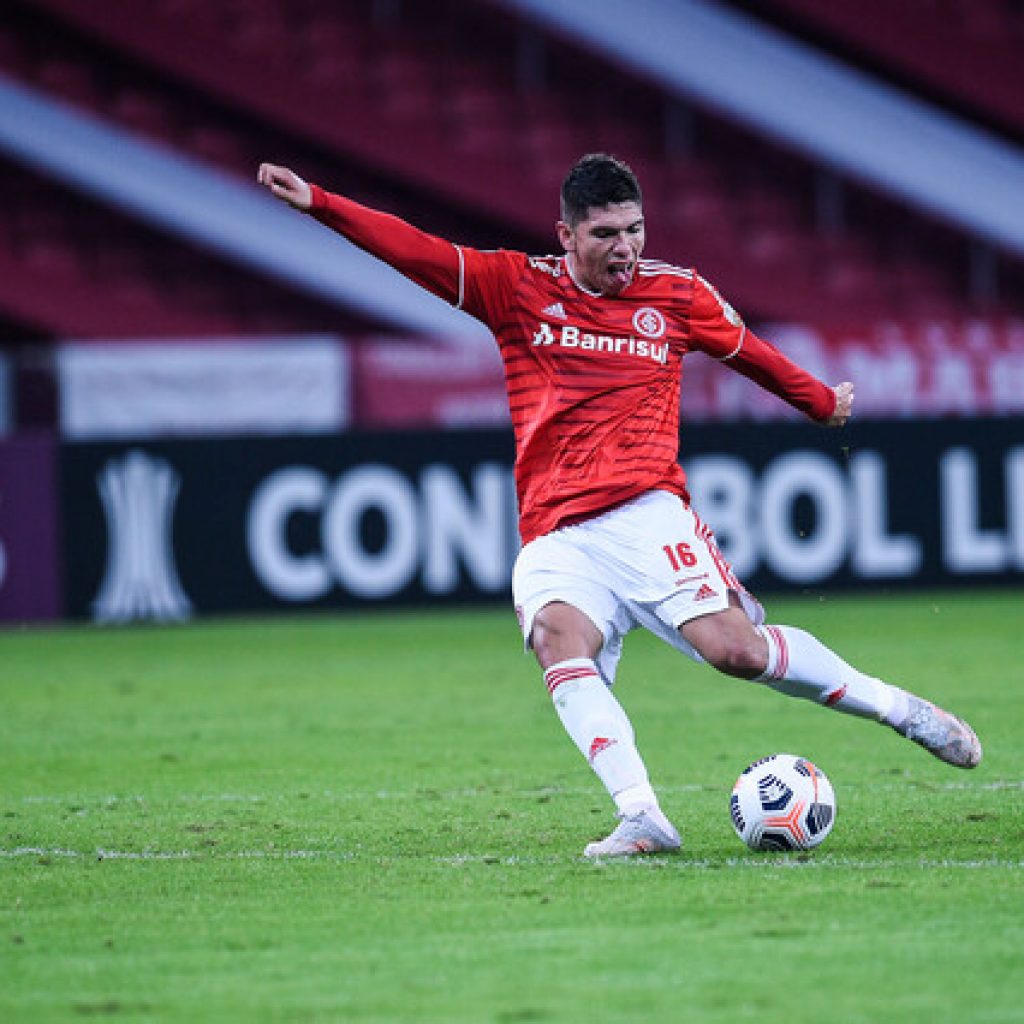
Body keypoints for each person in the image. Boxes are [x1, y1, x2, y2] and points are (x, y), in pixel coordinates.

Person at [257, 153, 982, 858]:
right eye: (605, 234)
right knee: (557, 638)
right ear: (566, 235)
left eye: (634, 229)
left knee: (735, 651)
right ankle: (641, 815)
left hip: (645, 511)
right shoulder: (514, 287)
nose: (625, 247)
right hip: (555, 532)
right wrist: (320, 202)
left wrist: (820, 402)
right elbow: (415, 250)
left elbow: (750, 352)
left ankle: (899, 708)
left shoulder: (677, 294)